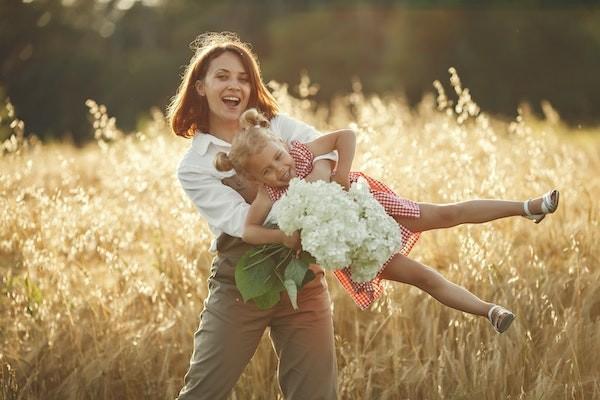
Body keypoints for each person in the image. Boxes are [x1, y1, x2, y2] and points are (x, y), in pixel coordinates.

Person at [214, 108, 561, 334]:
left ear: (280, 142)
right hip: (355, 247)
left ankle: (528, 206)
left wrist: (342, 172)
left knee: (447, 213)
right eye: (268, 172)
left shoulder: (303, 151)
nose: (280, 170)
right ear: (258, 179)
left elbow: (345, 135)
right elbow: (249, 231)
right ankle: (490, 311)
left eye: (277, 157)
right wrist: (285, 240)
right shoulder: (268, 195)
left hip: (370, 203)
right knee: (423, 277)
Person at [168, 32, 341, 400]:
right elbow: (243, 222)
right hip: (241, 280)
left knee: (317, 394)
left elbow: (328, 148)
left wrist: (321, 175)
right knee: (203, 392)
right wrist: (308, 195)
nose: (235, 86)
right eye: (223, 76)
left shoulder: (275, 126)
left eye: (244, 78)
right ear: (200, 86)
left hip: (303, 276)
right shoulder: (195, 165)